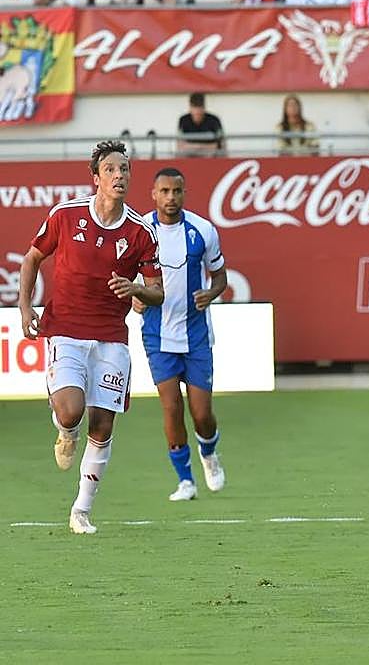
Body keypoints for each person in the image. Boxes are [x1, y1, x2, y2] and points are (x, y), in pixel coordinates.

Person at [17, 140, 164, 535]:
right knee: (71, 412)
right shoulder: (66, 215)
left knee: (102, 427)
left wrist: (136, 289)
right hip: (65, 329)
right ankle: (65, 431)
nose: (119, 175)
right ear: (96, 177)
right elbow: (32, 258)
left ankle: (81, 510)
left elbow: (157, 291)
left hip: (111, 338)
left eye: (124, 169)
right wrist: (26, 307)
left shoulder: (141, 232)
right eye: (111, 169)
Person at [131, 168, 228, 502]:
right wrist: (135, 295)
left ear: (184, 193)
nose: (171, 197)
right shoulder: (140, 230)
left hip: (196, 335)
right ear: (153, 194)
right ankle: (186, 480)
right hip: (157, 336)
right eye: (165, 191)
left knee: (202, 414)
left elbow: (220, 276)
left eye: (177, 191)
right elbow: (127, 273)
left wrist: (211, 293)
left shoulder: (203, 230)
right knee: (171, 408)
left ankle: (209, 454)